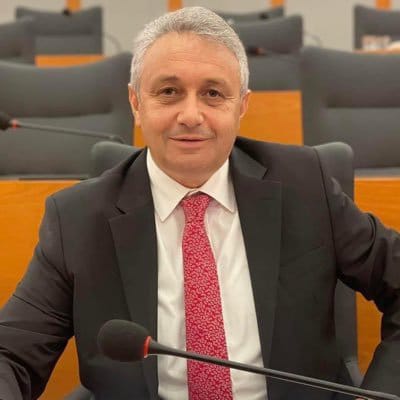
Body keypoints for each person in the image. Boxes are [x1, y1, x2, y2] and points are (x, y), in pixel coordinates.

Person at [0, 6, 399, 400]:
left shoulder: (305, 185)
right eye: (168, 92)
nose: (191, 115)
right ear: (136, 103)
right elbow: (11, 354)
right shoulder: (77, 219)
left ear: (241, 106)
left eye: (212, 93)